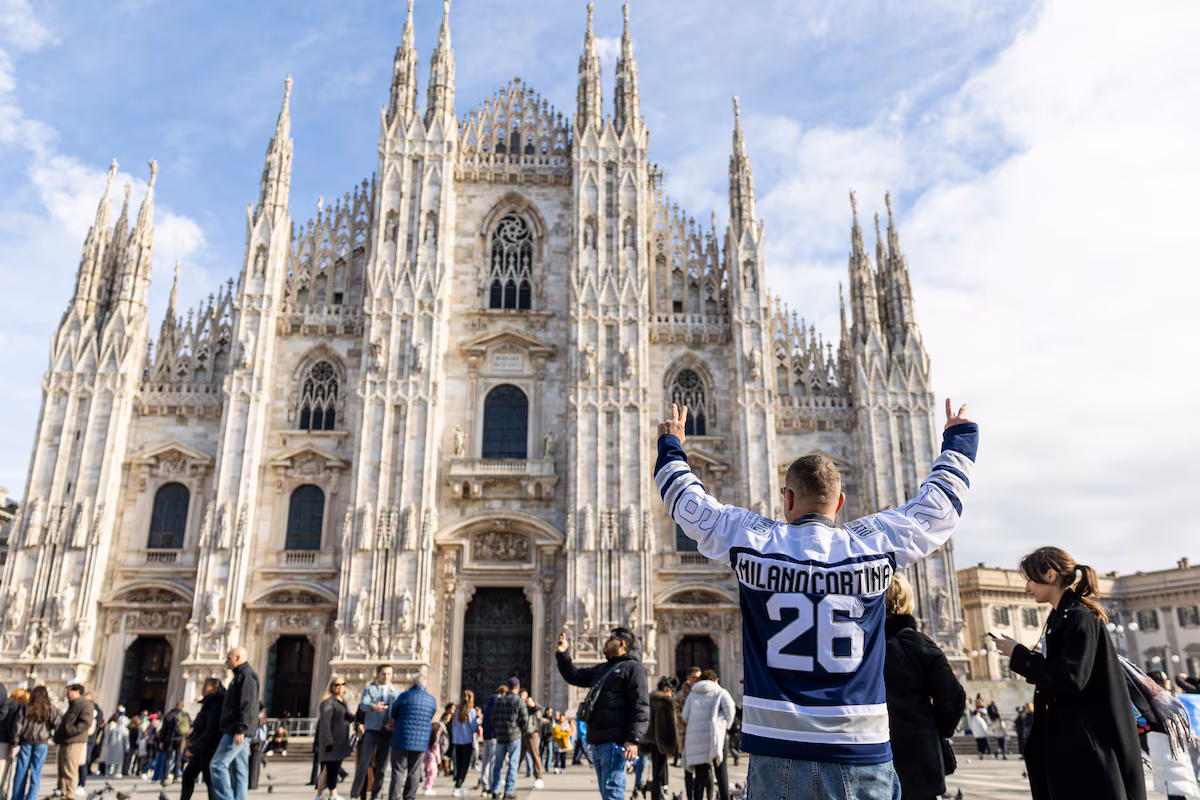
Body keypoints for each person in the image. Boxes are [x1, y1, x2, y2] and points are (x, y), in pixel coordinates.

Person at [654, 399, 977, 800]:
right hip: (860, 752)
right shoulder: (873, 544)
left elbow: (687, 503)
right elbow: (940, 510)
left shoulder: (755, 541)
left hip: (777, 753)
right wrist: (959, 441)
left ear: (787, 500)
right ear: (840, 504)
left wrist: (671, 445)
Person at [994, 546, 1146, 800]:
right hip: (1072, 739)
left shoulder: (1078, 617)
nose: (1027, 588)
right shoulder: (1060, 616)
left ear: (1050, 575)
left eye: (1030, 579)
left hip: (1085, 743)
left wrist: (1018, 654)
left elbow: (1071, 678)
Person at [881, 572, 965, 800]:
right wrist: (938, 729)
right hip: (919, 760)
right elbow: (953, 697)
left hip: (870, 756)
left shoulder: (858, 644)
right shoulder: (915, 644)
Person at [555, 627, 650, 800]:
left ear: (622, 643)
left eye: (610, 639)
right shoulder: (604, 669)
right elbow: (575, 676)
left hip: (615, 742)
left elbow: (641, 706)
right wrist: (563, 654)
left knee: (613, 794)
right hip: (598, 741)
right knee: (607, 793)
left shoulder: (634, 669)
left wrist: (633, 740)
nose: (605, 643)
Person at [209, 646, 261, 800]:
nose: (226, 661)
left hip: (235, 731)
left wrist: (241, 729)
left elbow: (247, 703)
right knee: (240, 771)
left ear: (238, 658)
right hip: (238, 730)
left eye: (229, 657)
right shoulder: (241, 675)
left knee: (217, 765)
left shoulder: (246, 676)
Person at [681, 671, 735, 800]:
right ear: (714, 680)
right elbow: (730, 709)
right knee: (721, 772)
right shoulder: (720, 692)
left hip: (697, 739)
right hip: (716, 737)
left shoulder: (692, 694)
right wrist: (725, 725)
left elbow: (684, 715)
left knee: (700, 775)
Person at [1145, 672, 1200, 800]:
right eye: (1166, 678)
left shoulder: (1152, 700)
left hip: (1165, 751)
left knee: (1174, 790)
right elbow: (1176, 724)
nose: (1169, 680)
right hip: (1170, 752)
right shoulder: (1164, 701)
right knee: (1176, 790)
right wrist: (1192, 735)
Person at [387, 673, 437, 800]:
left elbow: (393, 712)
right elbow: (431, 716)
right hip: (420, 742)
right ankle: (409, 797)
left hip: (401, 739)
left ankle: (394, 797)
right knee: (414, 772)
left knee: (398, 771)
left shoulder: (404, 696)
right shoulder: (431, 700)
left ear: (413, 683)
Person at [352, 666, 397, 800]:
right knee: (364, 764)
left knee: (381, 767)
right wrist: (373, 707)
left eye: (389, 674)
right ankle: (356, 794)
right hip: (371, 731)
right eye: (384, 674)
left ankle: (376, 795)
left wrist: (394, 723)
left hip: (387, 733)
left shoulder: (396, 692)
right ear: (378, 674)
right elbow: (363, 705)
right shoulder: (370, 689)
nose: (386, 676)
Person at [12, 686, 59, 800]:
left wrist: (15, 740)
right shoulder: (50, 709)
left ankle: (17, 797)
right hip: (42, 742)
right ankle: (32, 798)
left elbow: (18, 725)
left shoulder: (25, 708)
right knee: (36, 772)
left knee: (21, 772)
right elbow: (57, 723)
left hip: (26, 742)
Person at [182, 678, 225, 800]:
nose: (201, 689)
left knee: (209, 780)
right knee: (190, 775)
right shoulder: (209, 703)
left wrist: (194, 747)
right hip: (202, 748)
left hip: (208, 748)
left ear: (212, 688)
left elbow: (210, 730)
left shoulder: (214, 705)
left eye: (204, 686)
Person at [487, 677, 529, 800]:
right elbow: (525, 719)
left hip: (500, 737)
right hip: (514, 737)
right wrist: (520, 729)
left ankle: (495, 789)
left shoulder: (500, 700)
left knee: (497, 764)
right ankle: (508, 790)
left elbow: (493, 718)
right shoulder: (518, 700)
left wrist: (498, 730)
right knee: (513, 764)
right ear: (517, 687)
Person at [316, 677, 356, 800]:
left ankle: (319, 795)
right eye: (336, 684)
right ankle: (332, 794)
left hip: (340, 741)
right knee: (330, 768)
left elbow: (347, 717)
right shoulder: (328, 702)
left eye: (342, 684)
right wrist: (328, 741)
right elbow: (325, 723)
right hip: (332, 741)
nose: (340, 687)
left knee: (327, 768)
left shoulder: (342, 701)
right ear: (331, 686)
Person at [639, 678, 678, 800]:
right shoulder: (665, 702)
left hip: (650, 740)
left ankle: (656, 795)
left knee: (656, 771)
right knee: (659, 772)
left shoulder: (650, 699)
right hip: (661, 741)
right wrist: (671, 744)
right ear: (666, 689)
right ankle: (657, 796)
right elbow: (668, 725)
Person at [54, 683, 94, 798]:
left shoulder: (85, 704)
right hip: (65, 740)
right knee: (62, 770)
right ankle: (63, 793)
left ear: (77, 692)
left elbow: (85, 723)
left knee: (70, 769)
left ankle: (70, 794)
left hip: (73, 740)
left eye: (69, 691)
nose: (67, 694)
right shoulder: (73, 704)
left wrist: (70, 730)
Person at [475, 686, 505, 791]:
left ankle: (484, 782)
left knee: (485, 760)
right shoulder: (498, 702)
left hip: (487, 734)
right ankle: (492, 783)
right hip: (494, 734)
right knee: (493, 760)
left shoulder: (488, 702)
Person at [450, 690, 478, 797]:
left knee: (458, 763)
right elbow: (473, 727)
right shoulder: (471, 711)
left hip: (457, 741)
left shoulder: (457, 710)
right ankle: (457, 786)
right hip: (467, 741)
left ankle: (458, 787)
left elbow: (453, 726)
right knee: (464, 766)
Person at [518, 693, 544, 787]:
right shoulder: (520, 705)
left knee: (534, 755)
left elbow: (539, 708)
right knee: (518, 757)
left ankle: (539, 777)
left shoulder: (532, 707)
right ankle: (511, 777)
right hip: (521, 733)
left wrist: (532, 704)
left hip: (532, 732)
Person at [248, 706, 267, 791]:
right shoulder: (259, 721)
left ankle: (253, 783)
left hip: (257, 744)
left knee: (255, 765)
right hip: (254, 743)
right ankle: (252, 783)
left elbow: (262, 735)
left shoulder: (262, 722)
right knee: (252, 764)